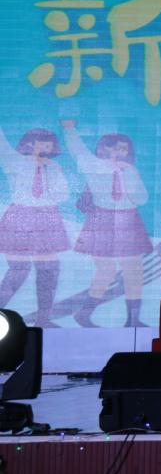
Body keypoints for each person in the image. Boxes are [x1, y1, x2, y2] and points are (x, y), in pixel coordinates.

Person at [62, 121, 153, 328]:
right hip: (102, 219)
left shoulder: (130, 170)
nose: (119, 153)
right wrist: (69, 129)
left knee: (134, 268)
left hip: (128, 219)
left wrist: (128, 174)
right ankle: (84, 314)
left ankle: (132, 320)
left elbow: (141, 199)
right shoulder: (93, 165)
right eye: (115, 148)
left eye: (124, 149)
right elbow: (77, 150)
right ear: (103, 149)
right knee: (106, 269)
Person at [0, 127, 69, 328]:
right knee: (19, 269)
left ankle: (43, 319)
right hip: (20, 215)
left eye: (49, 145)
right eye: (42, 143)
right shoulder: (16, 161)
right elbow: (2, 145)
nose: (46, 148)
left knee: (49, 268)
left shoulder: (54, 167)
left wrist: (49, 173)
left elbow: (63, 194)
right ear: (30, 144)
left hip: (47, 217)